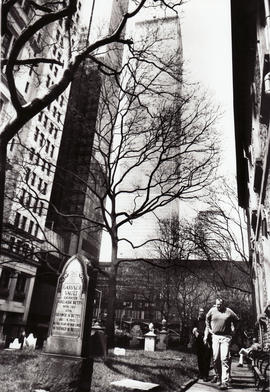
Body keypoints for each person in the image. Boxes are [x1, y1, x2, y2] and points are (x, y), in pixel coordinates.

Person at [204, 298, 239, 391]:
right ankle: (218, 376)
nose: (218, 306)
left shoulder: (228, 311)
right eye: (217, 304)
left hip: (226, 337)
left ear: (223, 304)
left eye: (220, 304)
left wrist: (234, 329)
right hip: (215, 336)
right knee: (215, 358)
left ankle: (225, 382)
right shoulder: (212, 310)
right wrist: (209, 329)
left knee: (224, 358)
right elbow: (206, 319)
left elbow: (237, 320)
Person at [192, 308, 211, 381]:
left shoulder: (207, 320)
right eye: (200, 311)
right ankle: (201, 373)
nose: (201, 313)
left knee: (206, 357)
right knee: (200, 358)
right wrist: (194, 331)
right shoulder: (195, 320)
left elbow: (209, 328)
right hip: (199, 341)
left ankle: (206, 375)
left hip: (206, 340)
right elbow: (192, 328)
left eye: (203, 312)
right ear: (198, 312)